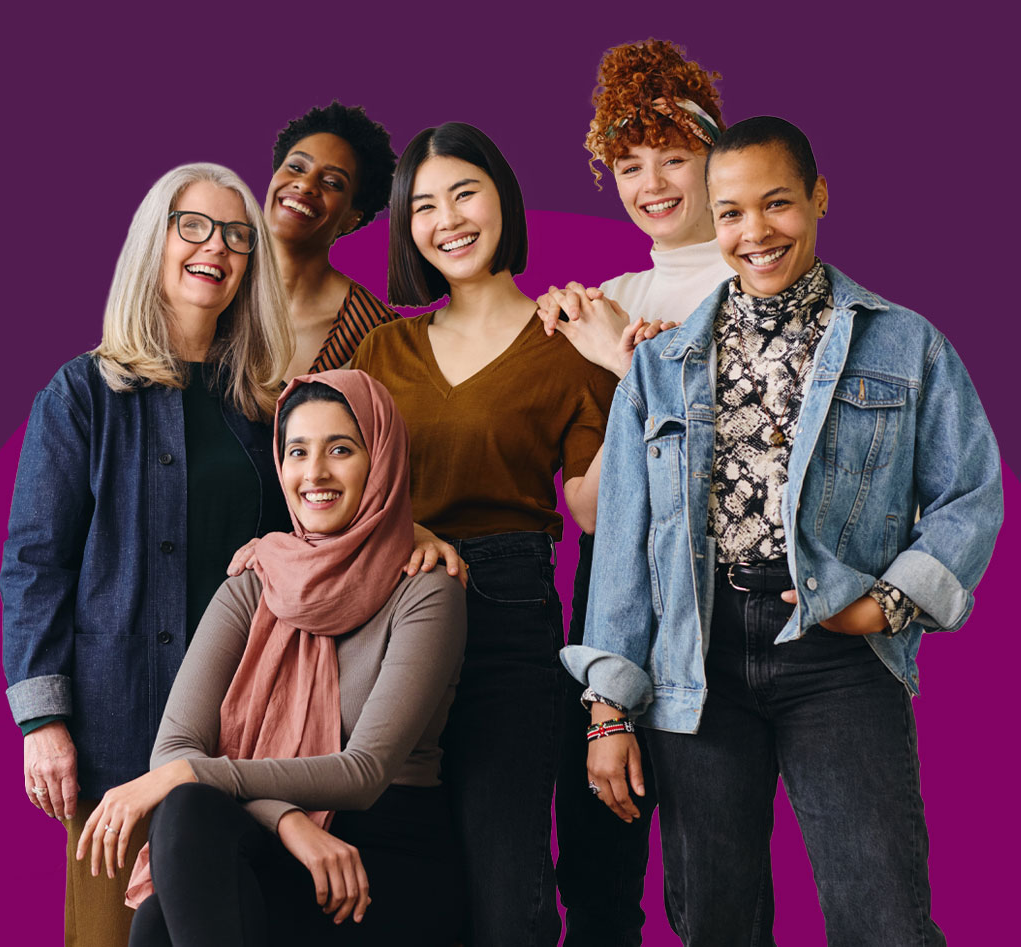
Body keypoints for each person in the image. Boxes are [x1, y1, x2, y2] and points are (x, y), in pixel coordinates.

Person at [563, 116, 1003, 946]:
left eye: (777, 205)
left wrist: (885, 604)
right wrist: (607, 710)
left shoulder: (904, 344)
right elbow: (624, 544)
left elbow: (969, 493)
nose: (754, 232)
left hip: (838, 659)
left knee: (883, 917)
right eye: (729, 212)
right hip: (697, 662)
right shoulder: (660, 364)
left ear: (818, 198)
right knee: (716, 920)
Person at [0, 163, 294, 946]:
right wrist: (43, 723)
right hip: (117, 731)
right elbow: (34, 561)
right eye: (192, 225)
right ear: (153, 243)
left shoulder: (266, 407)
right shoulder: (81, 394)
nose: (216, 247)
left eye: (237, 235)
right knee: (108, 934)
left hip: (244, 736)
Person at [76, 371, 466, 946]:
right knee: (184, 823)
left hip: (381, 854)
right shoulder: (254, 582)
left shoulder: (427, 588)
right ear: (279, 467)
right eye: (297, 452)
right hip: (287, 846)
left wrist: (190, 773)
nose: (316, 474)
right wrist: (286, 822)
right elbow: (175, 749)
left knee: (178, 837)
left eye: (341, 450)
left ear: (381, 459)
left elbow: (363, 773)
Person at [351, 122, 617, 947]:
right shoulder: (383, 348)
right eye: (423, 205)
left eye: (464, 192)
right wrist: (408, 527)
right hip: (385, 611)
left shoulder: (565, 342)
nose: (447, 218)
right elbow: (340, 489)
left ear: (502, 196)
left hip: (508, 605)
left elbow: (591, 510)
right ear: (406, 228)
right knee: (398, 867)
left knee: (507, 877)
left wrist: (627, 373)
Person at [534, 39, 735, 946]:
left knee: (714, 869)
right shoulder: (604, 296)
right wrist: (585, 342)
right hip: (614, 599)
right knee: (597, 855)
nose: (651, 183)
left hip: (724, 597)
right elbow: (586, 508)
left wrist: (630, 364)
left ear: (713, 156)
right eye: (628, 164)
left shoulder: (761, 273)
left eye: (673, 158)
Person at [267, 102, 399, 377]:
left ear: (352, 218)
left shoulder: (375, 333)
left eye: (332, 182)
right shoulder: (217, 286)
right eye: (295, 166)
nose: (305, 185)